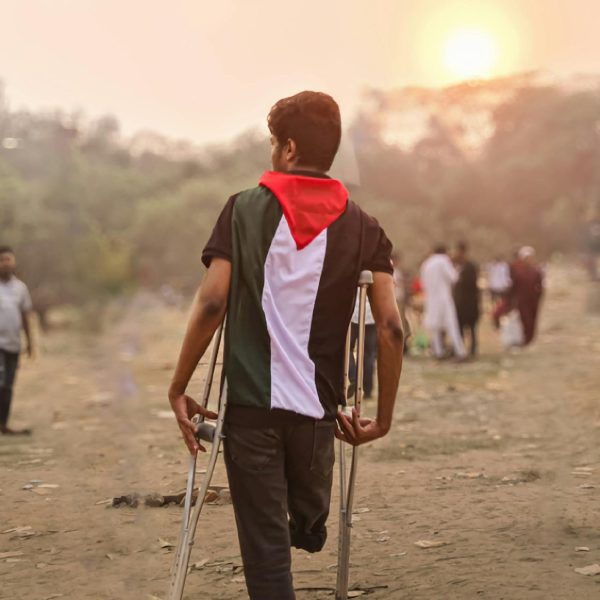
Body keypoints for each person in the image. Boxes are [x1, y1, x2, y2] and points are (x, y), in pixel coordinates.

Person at [168, 91, 404, 600]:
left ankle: (296, 529)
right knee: (308, 517)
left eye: (274, 144)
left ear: (290, 148)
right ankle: (309, 516)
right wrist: (382, 419)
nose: (271, 153)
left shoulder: (243, 210)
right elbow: (390, 327)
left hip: (252, 412)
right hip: (320, 416)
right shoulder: (364, 225)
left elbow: (212, 305)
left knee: (266, 556)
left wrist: (178, 387)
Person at [0, 246, 33, 435]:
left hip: (14, 343)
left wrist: (30, 343)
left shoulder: (20, 288)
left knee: (8, 386)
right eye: (2, 260)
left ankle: (3, 424)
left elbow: (26, 316)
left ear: (14, 261)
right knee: (0, 382)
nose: (6, 263)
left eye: (8, 259)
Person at [420, 245, 467, 360]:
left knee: (435, 327)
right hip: (444, 298)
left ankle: (438, 351)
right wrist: (458, 269)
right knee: (451, 324)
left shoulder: (426, 264)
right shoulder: (443, 261)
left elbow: (423, 284)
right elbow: (454, 277)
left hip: (431, 299)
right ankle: (460, 351)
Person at [508, 246, 543, 345]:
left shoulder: (536, 271)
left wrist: (538, 296)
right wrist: (511, 298)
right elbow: (513, 286)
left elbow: (540, 286)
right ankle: (525, 339)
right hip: (522, 300)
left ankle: (530, 338)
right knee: (525, 319)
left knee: (532, 320)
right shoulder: (518, 272)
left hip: (533, 300)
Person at [453, 241, 480, 356]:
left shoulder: (470, 266)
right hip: (460, 302)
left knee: (472, 327)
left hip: (469, 301)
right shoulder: (459, 266)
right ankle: (462, 348)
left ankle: (473, 349)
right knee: (460, 326)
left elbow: (470, 284)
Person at [348, 290, 376, 399]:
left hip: (353, 312)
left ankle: (353, 377)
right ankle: (367, 390)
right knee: (369, 354)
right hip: (370, 314)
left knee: (347, 349)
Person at [392, 251, 412, 354]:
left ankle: (404, 345)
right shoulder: (393, 271)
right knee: (400, 324)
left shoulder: (397, 271)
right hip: (396, 300)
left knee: (404, 323)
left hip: (400, 299)